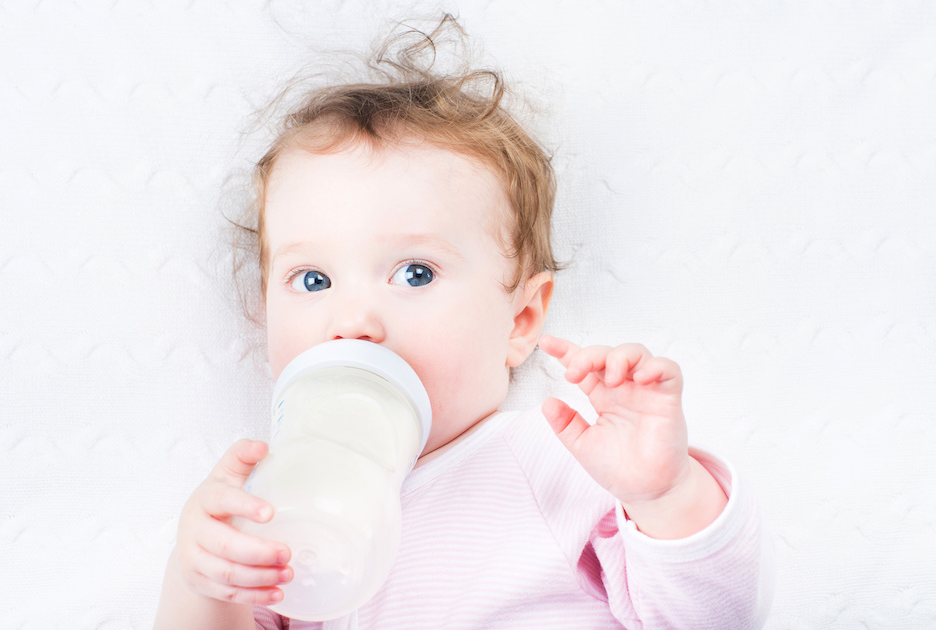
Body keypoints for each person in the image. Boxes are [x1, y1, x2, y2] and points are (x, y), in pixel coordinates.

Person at [155, 16, 772, 630]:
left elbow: (714, 621)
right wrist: (204, 582)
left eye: (416, 273)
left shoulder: (553, 458)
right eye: (313, 280)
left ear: (520, 320)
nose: (354, 320)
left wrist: (666, 498)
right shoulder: (280, 496)